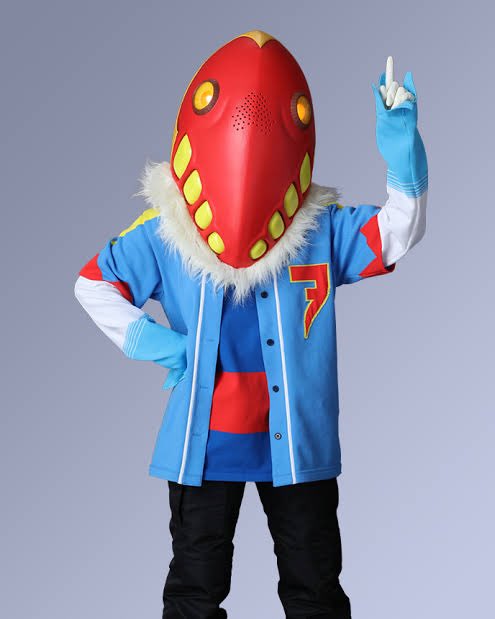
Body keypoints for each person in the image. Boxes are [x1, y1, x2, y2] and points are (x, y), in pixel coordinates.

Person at [74, 30, 427, 619]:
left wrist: (401, 145)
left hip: (296, 444)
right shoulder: (165, 233)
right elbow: (93, 283)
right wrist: (158, 344)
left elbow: (398, 231)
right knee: (194, 589)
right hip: (203, 446)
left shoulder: (322, 230)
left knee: (315, 591)